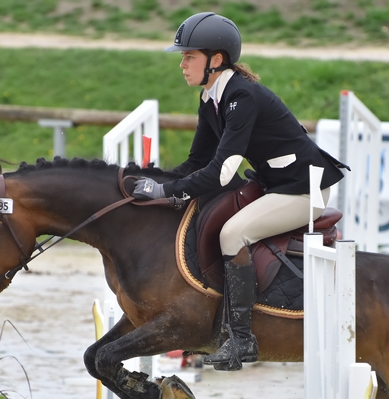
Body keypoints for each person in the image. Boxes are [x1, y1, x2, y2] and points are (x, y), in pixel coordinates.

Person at [134, 12, 347, 371]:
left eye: (190, 57)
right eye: (183, 57)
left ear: (215, 60)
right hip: (274, 185)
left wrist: (168, 190)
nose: (182, 64)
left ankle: (242, 339)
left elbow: (220, 172)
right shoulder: (211, 97)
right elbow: (195, 162)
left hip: (303, 191)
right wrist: (154, 183)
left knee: (233, 233)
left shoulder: (242, 97)